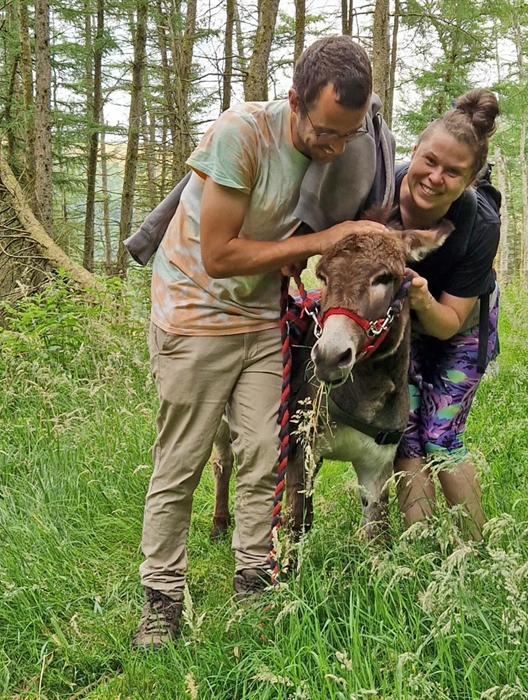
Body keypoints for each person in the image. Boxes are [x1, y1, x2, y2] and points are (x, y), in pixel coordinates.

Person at [133, 35, 391, 651]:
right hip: (194, 314)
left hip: (258, 317)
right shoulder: (240, 133)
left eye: (346, 136)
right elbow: (219, 256)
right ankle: (162, 601)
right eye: (325, 132)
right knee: (183, 461)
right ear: (296, 100)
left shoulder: (343, 148)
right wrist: (322, 241)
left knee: (262, 455)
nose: (332, 148)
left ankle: (255, 585)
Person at [392, 89, 501, 543]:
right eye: (430, 161)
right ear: (414, 150)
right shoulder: (376, 193)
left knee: (440, 435)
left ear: (471, 178)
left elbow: (450, 321)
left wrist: (420, 299)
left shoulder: (481, 224)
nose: (435, 177)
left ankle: (473, 557)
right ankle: (418, 559)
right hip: (401, 325)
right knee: (403, 433)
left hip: (461, 325)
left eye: (453, 172)